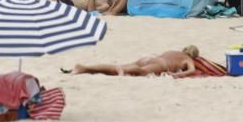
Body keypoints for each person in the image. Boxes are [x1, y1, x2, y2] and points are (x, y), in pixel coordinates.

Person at [69, 46, 200, 77]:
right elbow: (191, 70)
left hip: (150, 57)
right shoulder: (187, 59)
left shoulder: (173, 51)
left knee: (117, 67)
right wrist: (175, 75)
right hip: (161, 64)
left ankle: (84, 68)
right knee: (142, 72)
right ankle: (123, 71)